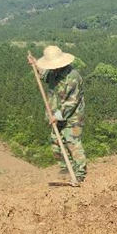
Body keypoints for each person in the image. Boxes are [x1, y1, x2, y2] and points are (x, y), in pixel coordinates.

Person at [28, 45, 87, 183]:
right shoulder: (54, 73)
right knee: (56, 143)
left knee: (72, 142)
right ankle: (67, 169)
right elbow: (44, 75)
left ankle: (79, 174)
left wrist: (57, 116)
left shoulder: (73, 77)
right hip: (55, 114)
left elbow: (71, 103)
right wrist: (36, 64)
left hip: (72, 117)